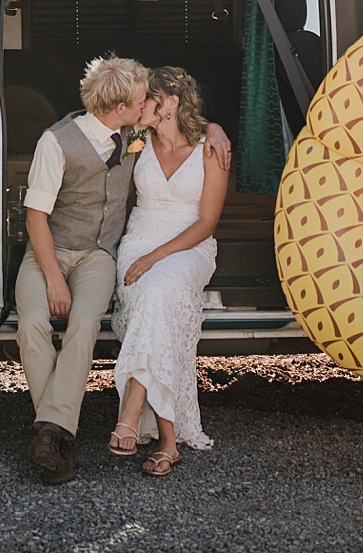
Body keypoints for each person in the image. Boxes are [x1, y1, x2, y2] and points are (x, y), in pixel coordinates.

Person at [16, 56, 231, 485]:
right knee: (33, 325)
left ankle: (89, 424)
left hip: (115, 252)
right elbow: (35, 216)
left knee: (95, 319)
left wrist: (215, 127)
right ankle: (56, 431)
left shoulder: (147, 128)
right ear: (123, 109)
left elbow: (205, 207)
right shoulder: (78, 139)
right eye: (139, 101)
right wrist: (55, 278)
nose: (143, 106)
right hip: (76, 248)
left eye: (148, 100)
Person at [107, 66, 228, 477]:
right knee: (159, 303)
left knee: (159, 293)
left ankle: (132, 409)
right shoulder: (135, 139)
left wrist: (156, 257)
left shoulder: (210, 149)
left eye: (148, 98)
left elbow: (206, 224)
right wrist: (142, 255)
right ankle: (168, 443)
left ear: (171, 103)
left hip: (188, 245)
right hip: (139, 241)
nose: (139, 105)